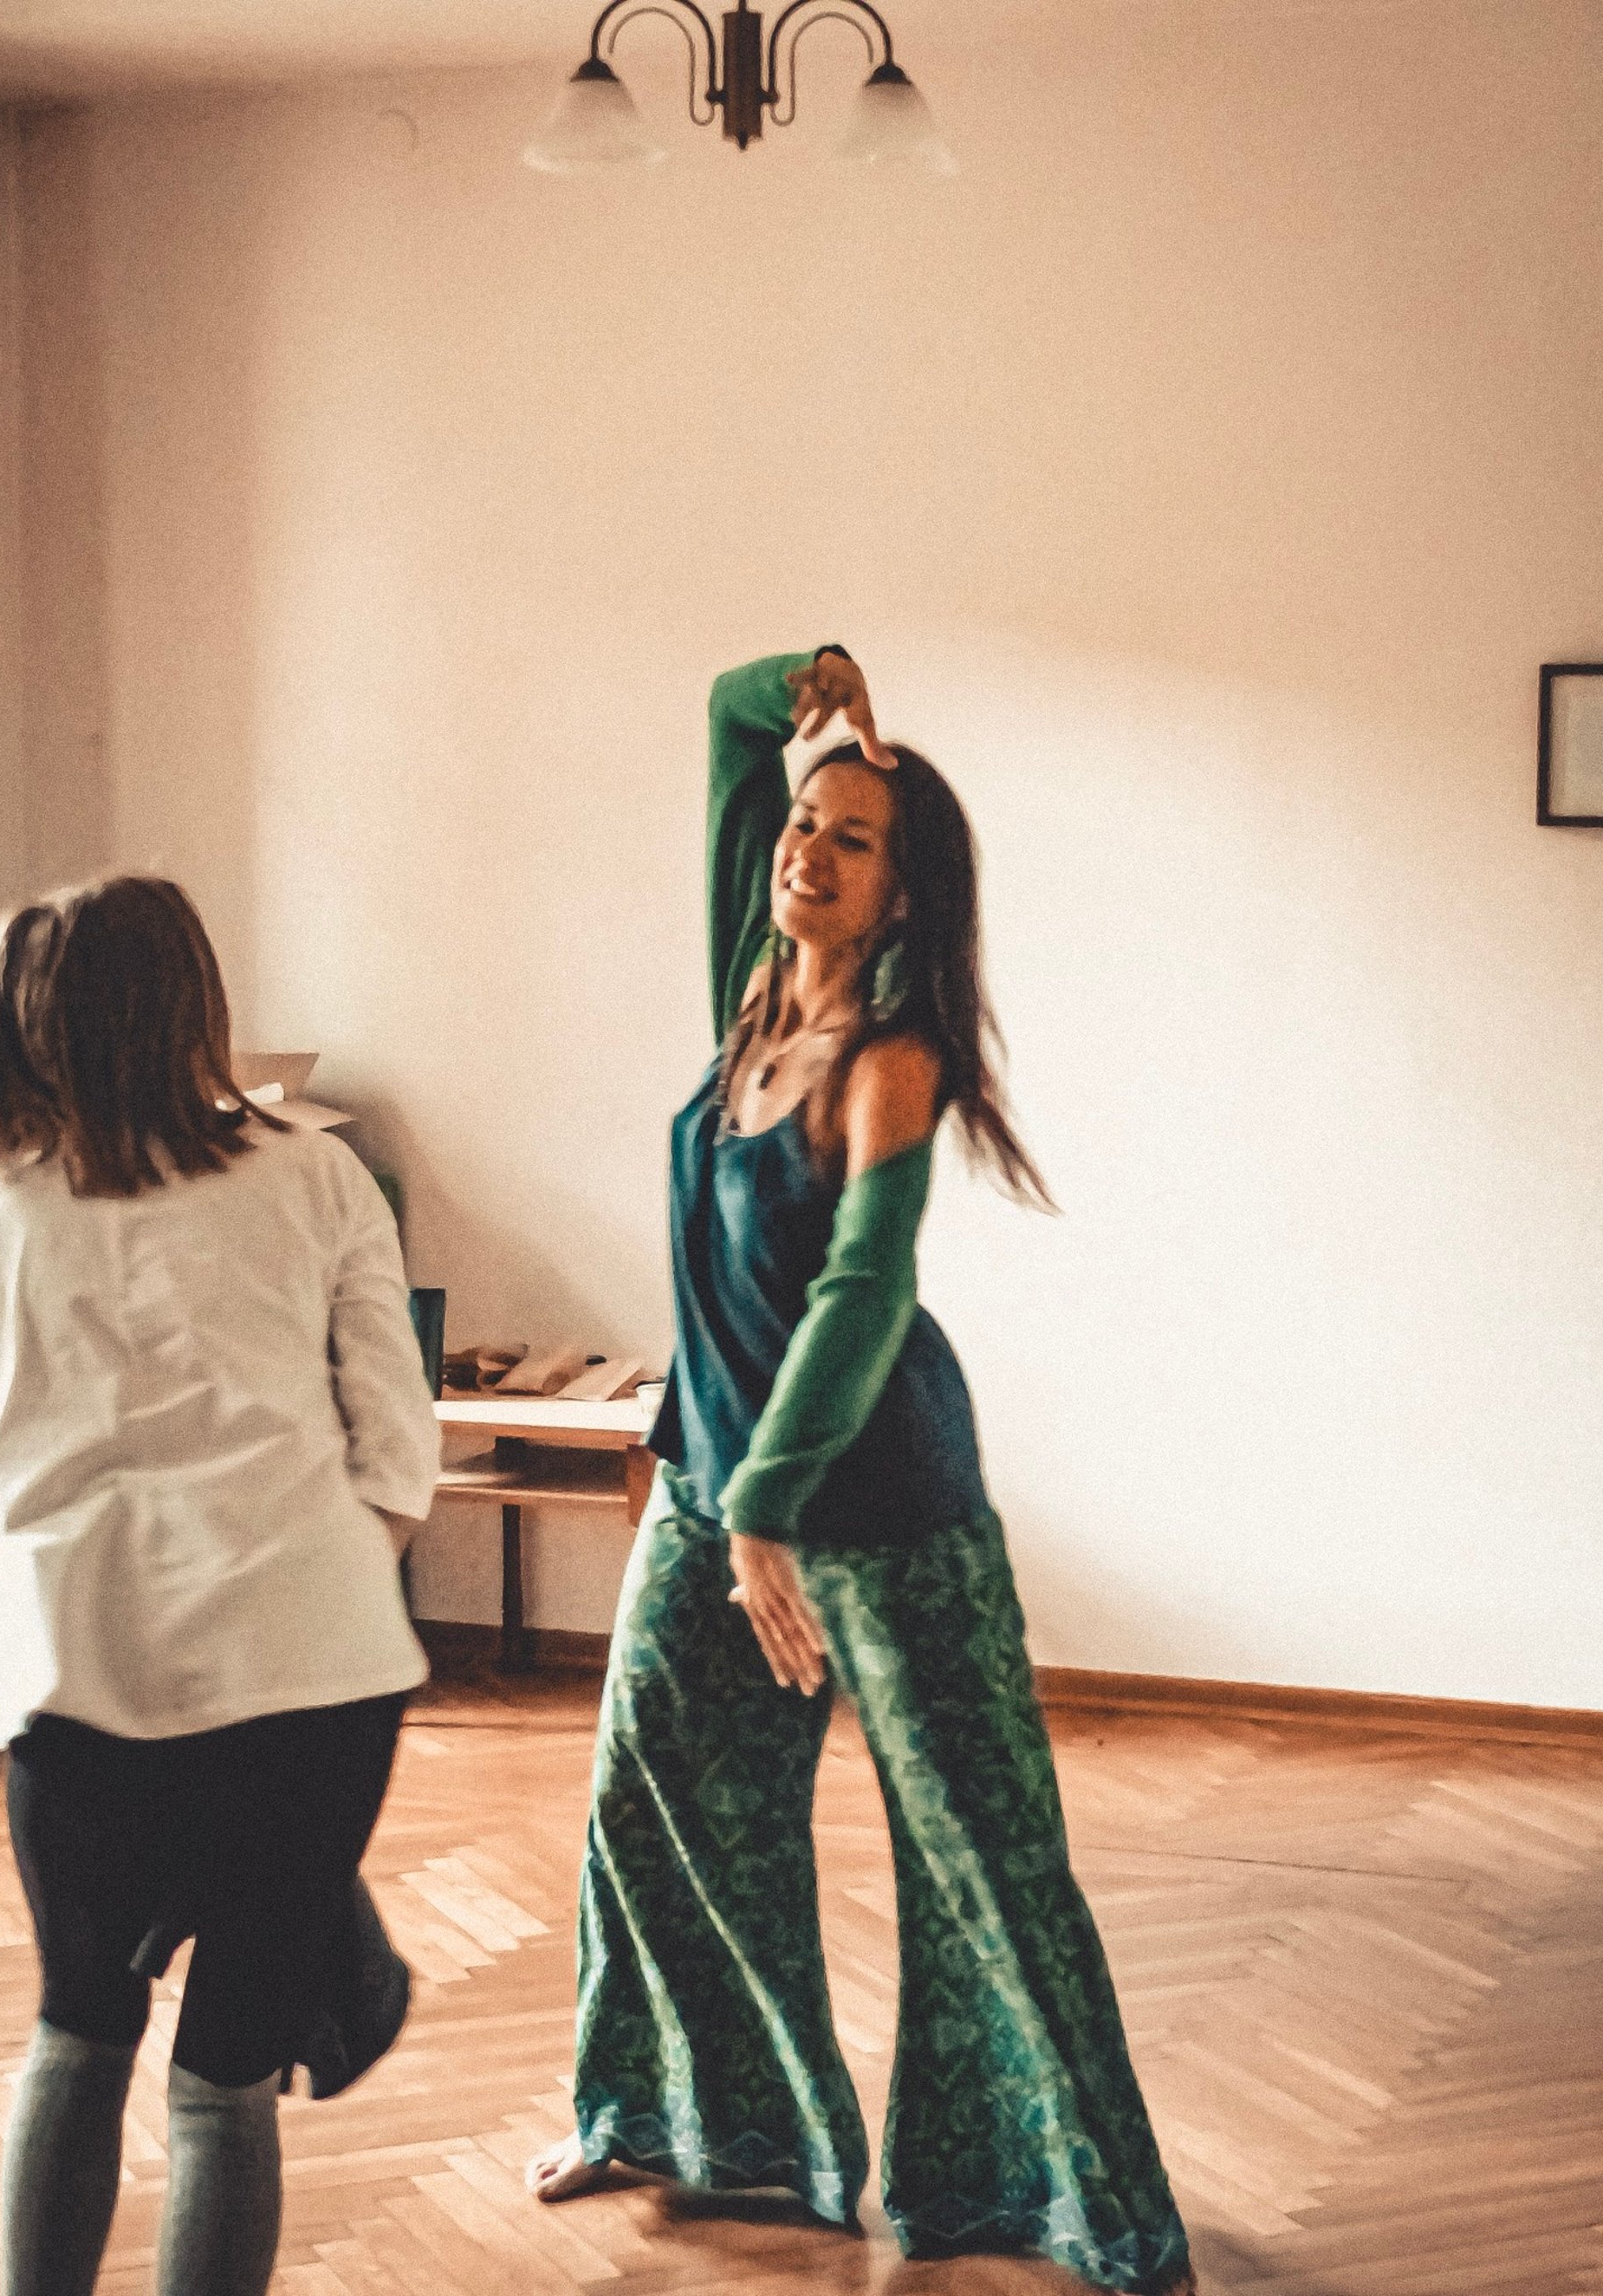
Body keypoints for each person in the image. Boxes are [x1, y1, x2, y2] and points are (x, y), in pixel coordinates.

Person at [529, 649, 1195, 2293]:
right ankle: (683, 2121)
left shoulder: (892, 1064)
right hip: (709, 1490)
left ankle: (1083, 2208)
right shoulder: (745, 1006)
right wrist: (808, 681)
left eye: (850, 840)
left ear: (905, 897)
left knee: (979, 1851)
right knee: (656, 1801)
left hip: (886, 1512)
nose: (804, 852)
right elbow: (726, 730)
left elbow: (863, 1294)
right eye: (801, 824)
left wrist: (773, 1505)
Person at [0, 877, 440, 2296]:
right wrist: (291, 1592)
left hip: (77, 1669)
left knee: (77, 2028)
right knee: (225, 2079)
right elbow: (400, 1451)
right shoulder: (314, 1177)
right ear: (197, 1003)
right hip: (312, 1677)